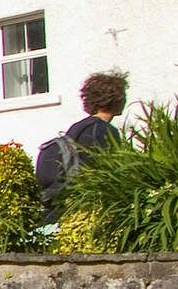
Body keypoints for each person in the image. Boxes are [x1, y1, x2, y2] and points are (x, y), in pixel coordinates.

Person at [37, 71, 128, 222]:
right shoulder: (107, 132)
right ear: (117, 100)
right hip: (88, 211)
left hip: (62, 208)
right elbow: (110, 175)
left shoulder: (77, 128)